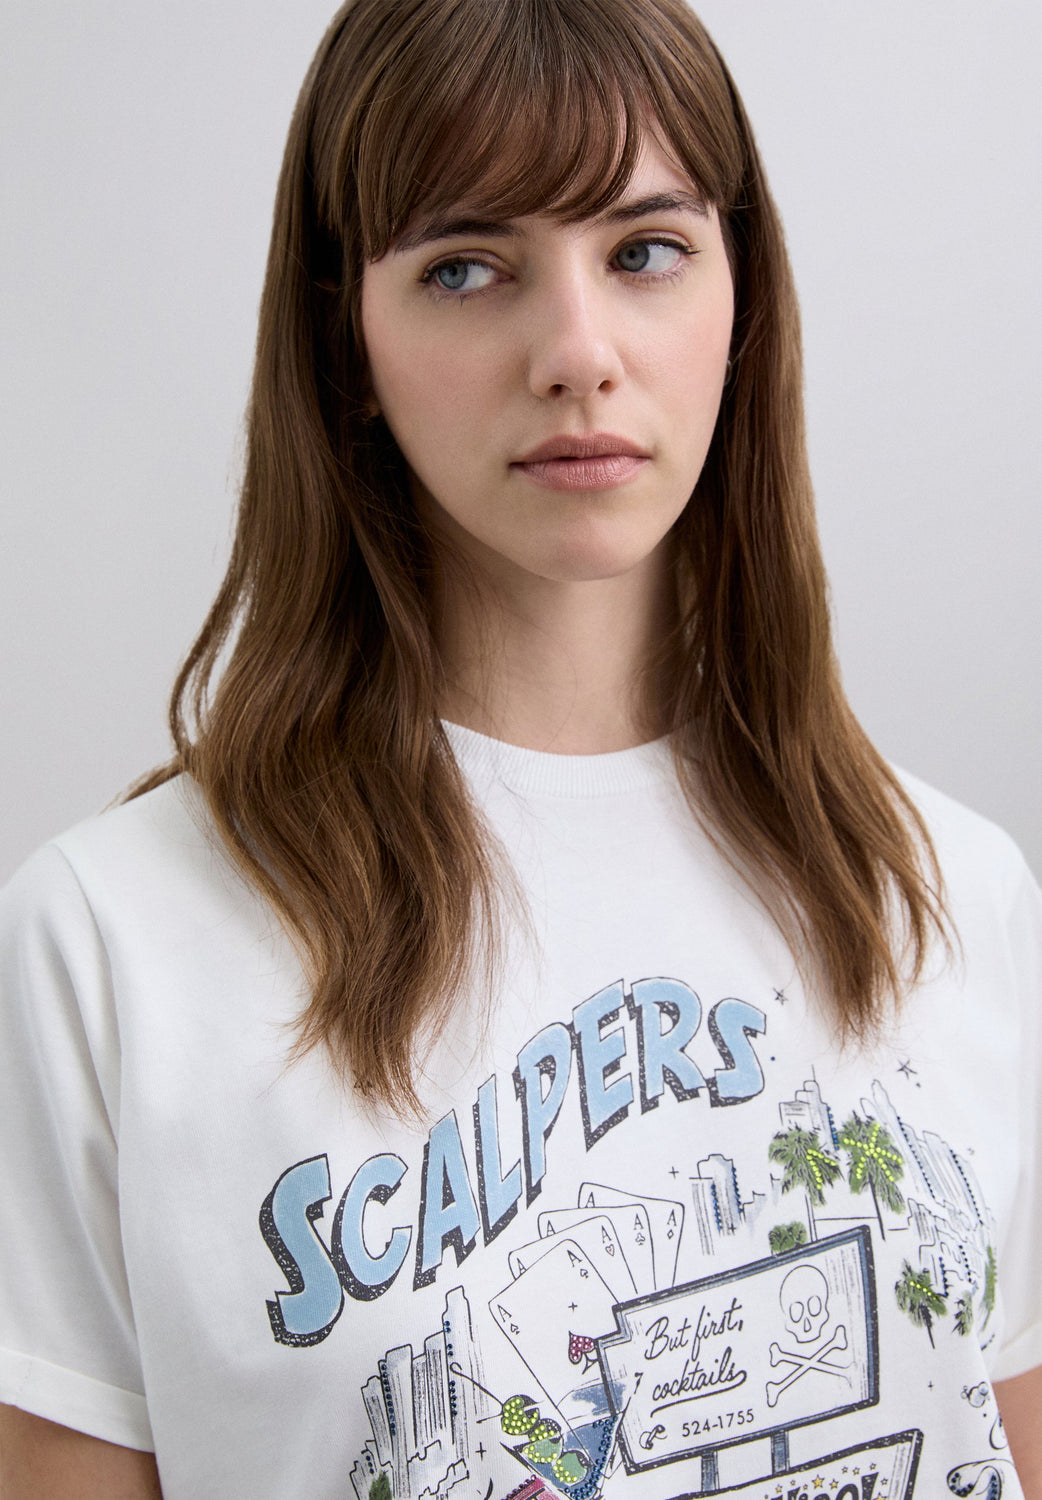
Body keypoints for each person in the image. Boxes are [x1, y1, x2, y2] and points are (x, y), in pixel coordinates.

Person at [0, 0, 1039, 1495]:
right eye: (466, 267)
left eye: (645, 250)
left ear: (741, 296)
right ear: (347, 338)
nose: (576, 352)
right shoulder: (106, 948)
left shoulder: (953, 897)